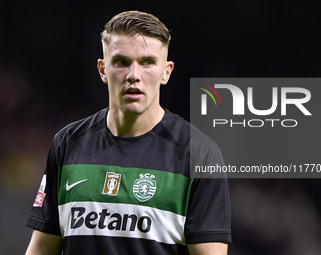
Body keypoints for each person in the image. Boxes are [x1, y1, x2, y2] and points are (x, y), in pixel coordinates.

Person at [25, 10, 231, 254]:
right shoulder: (68, 143)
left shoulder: (199, 154)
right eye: (122, 62)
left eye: (147, 62)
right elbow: (41, 248)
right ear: (103, 69)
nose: (134, 75)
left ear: (166, 71)